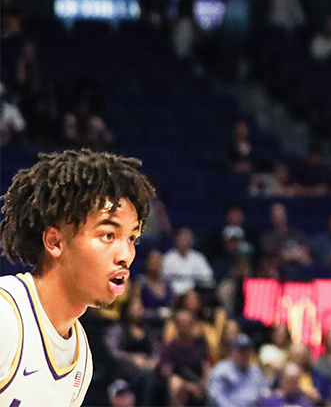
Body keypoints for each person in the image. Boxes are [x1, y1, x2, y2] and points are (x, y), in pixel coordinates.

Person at [0, 149, 155, 404]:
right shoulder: (6, 317)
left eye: (132, 239)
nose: (126, 255)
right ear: (55, 241)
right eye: (108, 235)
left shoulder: (80, 355)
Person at [208, 332, 267, 407]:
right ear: (232, 352)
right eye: (240, 351)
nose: (244, 354)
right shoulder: (222, 371)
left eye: (246, 350)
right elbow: (216, 398)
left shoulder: (255, 371)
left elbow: (263, 393)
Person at [163, 227, 216, 296]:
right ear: (176, 239)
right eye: (182, 238)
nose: (185, 241)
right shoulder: (168, 257)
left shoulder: (198, 257)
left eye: (187, 239)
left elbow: (208, 277)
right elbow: (164, 278)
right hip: (173, 293)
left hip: (194, 293)